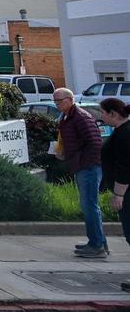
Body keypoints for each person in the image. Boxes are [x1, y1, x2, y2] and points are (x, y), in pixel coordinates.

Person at [55, 87, 106, 258]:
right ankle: (98, 242)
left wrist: (81, 162)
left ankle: (97, 245)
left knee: (89, 206)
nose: (57, 104)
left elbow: (93, 143)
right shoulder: (68, 117)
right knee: (90, 205)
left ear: (70, 100)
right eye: (55, 101)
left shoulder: (81, 117)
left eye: (59, 101)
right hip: (82, 166)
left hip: (89, 167)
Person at [99, 98, 130, 254]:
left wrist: (119, 195)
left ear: (113, 114)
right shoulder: (121, 131)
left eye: (103, 112)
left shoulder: (125, 134)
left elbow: (125, 167)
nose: (101, 116)